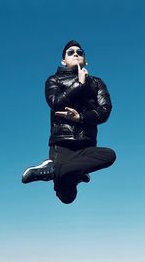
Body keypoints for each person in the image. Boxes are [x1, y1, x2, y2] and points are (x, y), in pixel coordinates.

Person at [22, 40, 116, 204]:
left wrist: (80, 117)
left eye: (80, 52)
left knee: (109, 155)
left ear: (85, 61)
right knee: (66, 197)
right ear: (63, 60)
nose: (76, 54)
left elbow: (105, 110)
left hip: (86, 146)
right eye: (71, 52)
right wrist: (78, 84)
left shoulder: (97, 83)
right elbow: (55, 102)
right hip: (63, 145)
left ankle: (55, 170)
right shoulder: (54, 80)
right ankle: (64, 169)